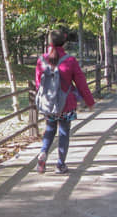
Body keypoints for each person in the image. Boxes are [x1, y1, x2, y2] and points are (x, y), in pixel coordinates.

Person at [35, 30, 95, 174]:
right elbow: (81, 83)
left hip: (49, 104)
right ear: (65, 41)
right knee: (64, 132)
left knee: (49, 130)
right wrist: (89, 101)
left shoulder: (41, 60)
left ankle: (43, 153)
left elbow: (39, 84)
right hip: (66, 104)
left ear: (49, 42)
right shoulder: (70, 61)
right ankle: (60, 164)